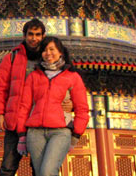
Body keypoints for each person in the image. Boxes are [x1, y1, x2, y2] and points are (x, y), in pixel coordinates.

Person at [0, 19, 72, 176]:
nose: (33, 38)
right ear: (24, 35)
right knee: (8, 167)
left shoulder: (51, 59)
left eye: (37, 35)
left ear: (43, 36)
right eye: (30, 34)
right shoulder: (12, 58)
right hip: (15, 121)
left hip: (41, 121)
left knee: (40, 168)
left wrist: (72, 104)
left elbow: (69, 85)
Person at [16, 36, 89, 176]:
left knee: (47, 172)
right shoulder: (33, 76)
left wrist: (76, 135)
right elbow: (24, 106)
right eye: (44, 50)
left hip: (60, 132)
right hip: (35, 132)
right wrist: (22, 136)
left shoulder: (72, 77)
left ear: (60, 52)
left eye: (52, 49)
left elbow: (82, 109)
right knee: (40, 173)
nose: (48, 53)